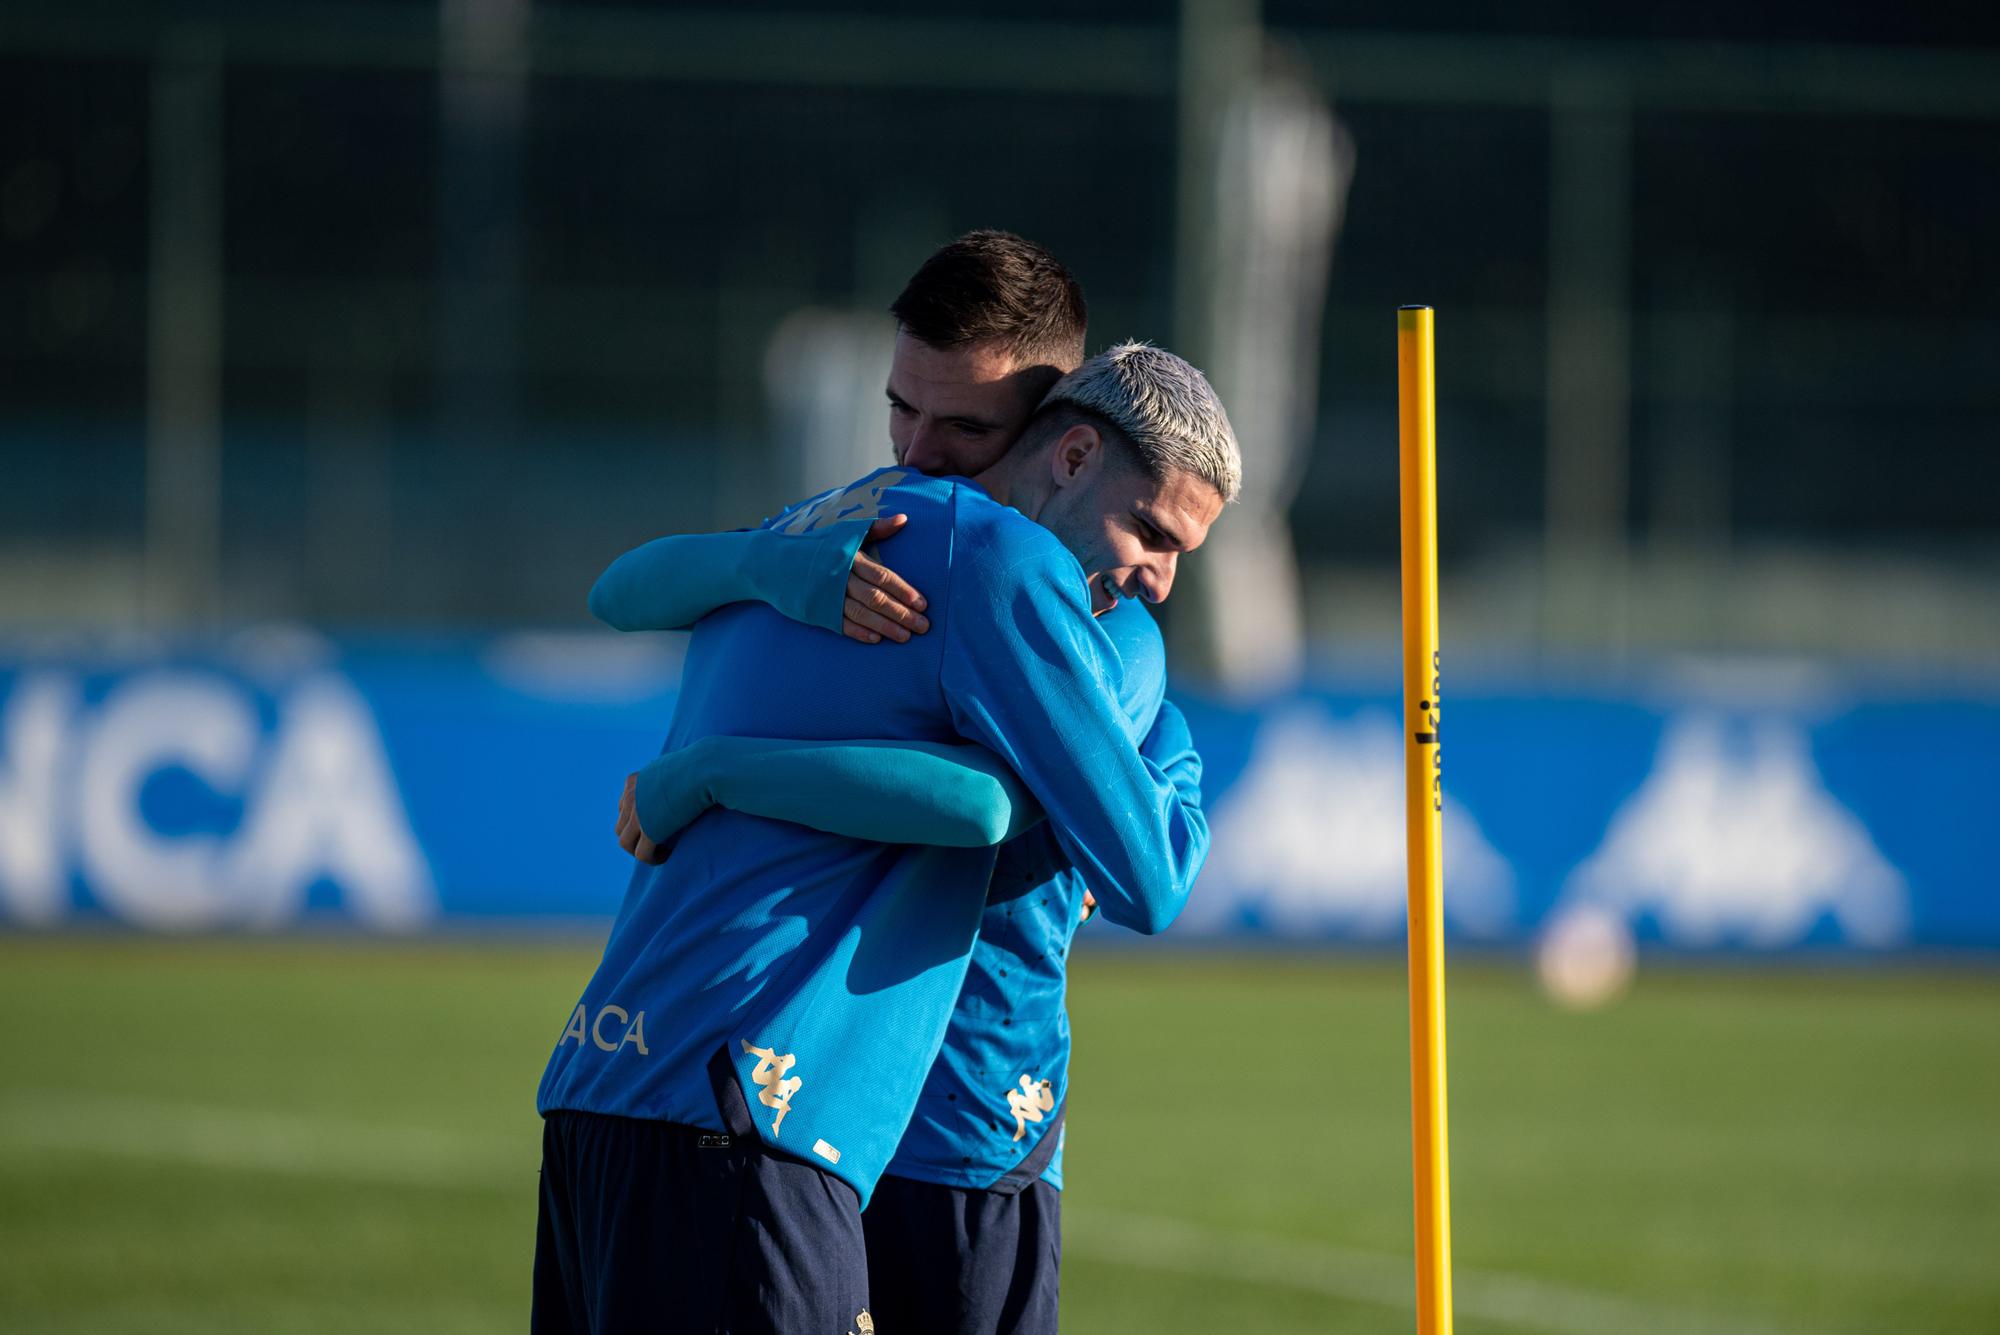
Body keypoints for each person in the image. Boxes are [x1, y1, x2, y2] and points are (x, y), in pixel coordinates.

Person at [532, 331, 1240, 1332]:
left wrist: (710, 769)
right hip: (834, 1106)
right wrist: (760, 579)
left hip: (858, 1100)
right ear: (1072, 456)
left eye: (958, 425)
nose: (922, 451)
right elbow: (1136, 868)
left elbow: (994, 815)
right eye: (1153, 535)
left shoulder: (1063, 614)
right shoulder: (900, 546)